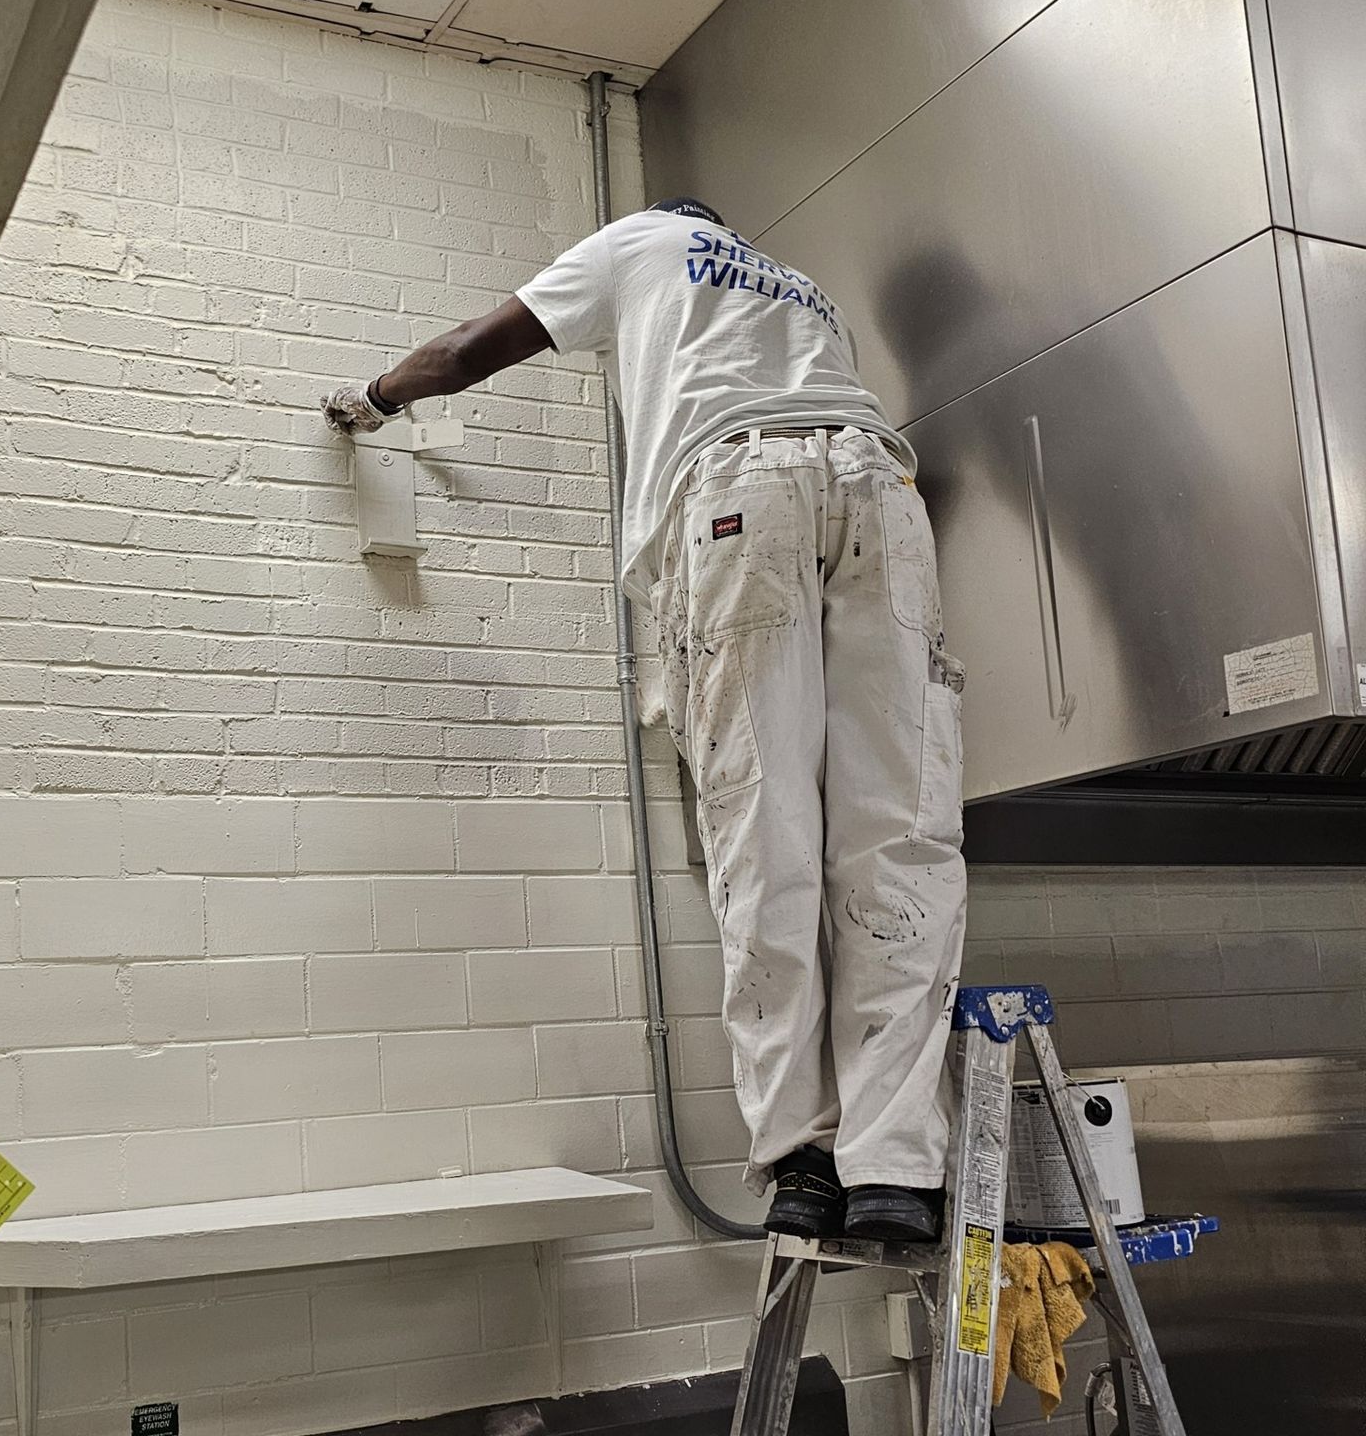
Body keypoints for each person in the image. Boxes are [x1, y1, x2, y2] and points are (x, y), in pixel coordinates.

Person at [322, 198, 966, 1242]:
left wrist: (372, 398)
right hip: (884, 490)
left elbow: (468, 348)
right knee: (899, 833)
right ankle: (895, 1170)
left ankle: (805, 1159)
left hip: (742, 489)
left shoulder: (645, 240)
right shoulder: (805, 292)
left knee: (767, 831)